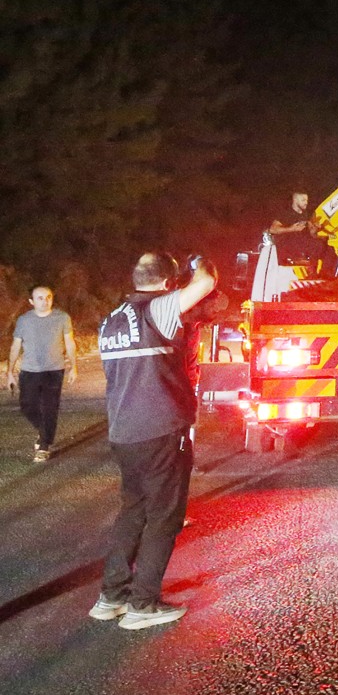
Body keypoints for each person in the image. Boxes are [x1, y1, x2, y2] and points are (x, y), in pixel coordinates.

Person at [90, 252, 217, 630]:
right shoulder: (157, 309)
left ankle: (111, 596)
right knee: (164, 517)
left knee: (133, 511)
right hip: (160, 432)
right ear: (167, 283)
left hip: (123, 433)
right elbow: (206, 284)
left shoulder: (110, 319)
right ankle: (143, 604)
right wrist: (201, 264)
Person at [6, 286, 77, 463]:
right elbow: (15, 346)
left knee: (49, 407)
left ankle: (44, 446)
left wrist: (74, 367)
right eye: (39, 298)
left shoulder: (62, 317)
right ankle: (44, 431)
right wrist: (9, 372)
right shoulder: (24, 320)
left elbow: (70, 342)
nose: (44, 301)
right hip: (29, 370)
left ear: (52, 299)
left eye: (48, 297)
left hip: (54, 370)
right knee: (27, 406)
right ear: (31, 301)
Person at [269, 190, 322, 264]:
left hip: (303, 252)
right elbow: (272, 229)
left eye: (307, 200)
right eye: (303, 200)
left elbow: (311, 234)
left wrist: (314, 231)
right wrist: (291, 229)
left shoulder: (305, 214)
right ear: (295, 200)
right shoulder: (286, 214)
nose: (306, 202)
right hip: (288, 253)